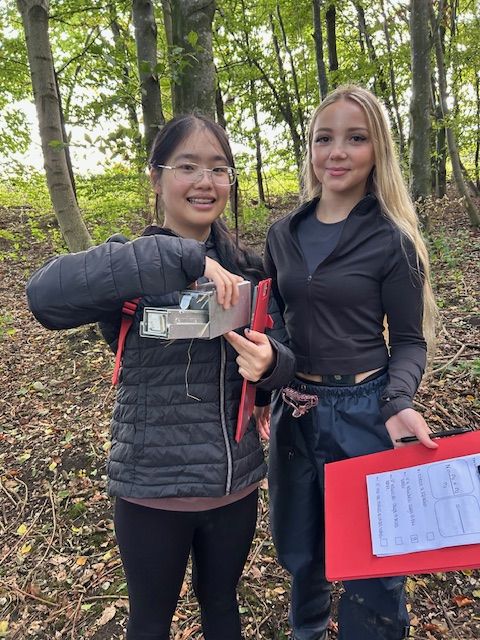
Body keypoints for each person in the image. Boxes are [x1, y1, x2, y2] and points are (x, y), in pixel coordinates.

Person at [26, 114, 294, 640]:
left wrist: (271, 366)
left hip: (232, 487)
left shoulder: (251, 270)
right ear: (156, 177)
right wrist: (182, 255)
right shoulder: (127, 266)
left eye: (218, 169)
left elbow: (284, 357)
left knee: (223, 610)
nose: (205, 182)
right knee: (150, 622)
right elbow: (44, 297)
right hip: (151, 489)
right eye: (187, 167)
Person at [226, 85, 438, 640]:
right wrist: (267, 388)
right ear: (311, 149)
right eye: (324, 138)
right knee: (302, 551)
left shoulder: (392, 239)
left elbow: (409, 340)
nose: (337, 152)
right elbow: (275, 320)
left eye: (355, 138)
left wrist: (398, 402)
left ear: (377, 150)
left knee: (374, 562)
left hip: (365, 413)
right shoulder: (284, 234)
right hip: (296, 410)